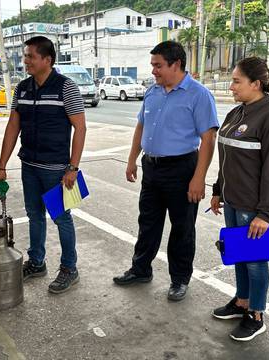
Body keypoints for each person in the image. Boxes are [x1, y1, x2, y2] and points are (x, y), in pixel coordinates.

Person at [113, 41, 219, 301]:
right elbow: (141, 126)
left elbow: (208, 138)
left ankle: (180, 279)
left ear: (176, 64)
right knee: (147, 222)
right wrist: (131, 160)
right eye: (152, 66)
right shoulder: (152, 92)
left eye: (158, 66)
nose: (154, 71)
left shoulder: (198, 94)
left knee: (182, 228)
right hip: (152, 167)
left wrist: (199, 178)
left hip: (183, 169)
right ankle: (140, 269)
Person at [0, 36, 86, 294]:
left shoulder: (66, 87)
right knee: (34, 215)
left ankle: (69, 268)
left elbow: (80, 127)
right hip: (29, 165)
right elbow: (13, 126)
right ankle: (37, 262)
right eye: (25, 56)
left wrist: (73, 167)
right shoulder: (22, 88)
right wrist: (1, 166)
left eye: (31, 56)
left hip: (55, 169)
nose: (26, 61)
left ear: (47, 59)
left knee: (61, 217)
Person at [210, 57, 269, 341]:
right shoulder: (236, 114)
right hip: (232, 200)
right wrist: (218, 190)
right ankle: (242, 301)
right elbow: (227, 158)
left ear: (256, 84)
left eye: (236, 81)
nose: (231, 87)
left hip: (253, 207)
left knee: (255, 261)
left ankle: (256, 314)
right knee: (239, 256)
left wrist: (266, 214)